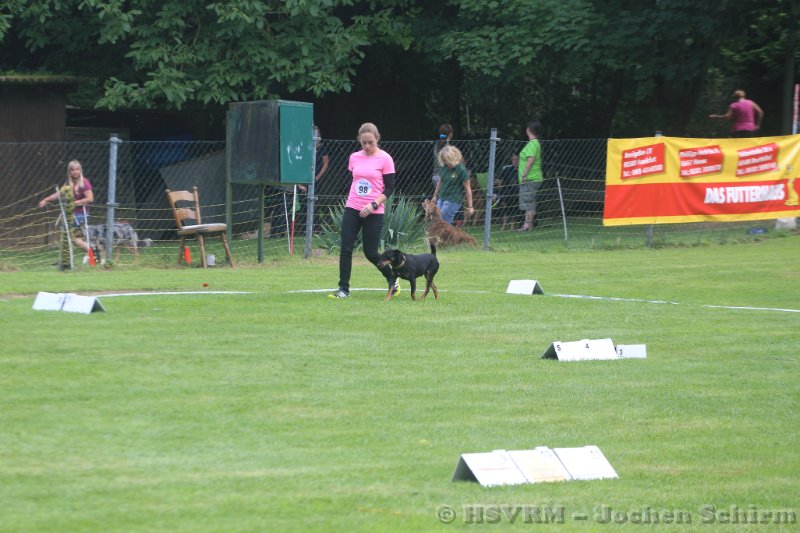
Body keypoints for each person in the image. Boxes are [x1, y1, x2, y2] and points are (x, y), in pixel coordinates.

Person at [329, 122, 399, 299]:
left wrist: (373, 205)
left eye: (370, 142)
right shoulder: (354, 157)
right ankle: (343, 289)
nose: (367, 146)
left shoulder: (385, 159)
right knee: (346, 248)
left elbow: (389, 188)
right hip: (352, 207)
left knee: (371, 253)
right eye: (363, 143)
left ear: (377, 139)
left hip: (374, 211)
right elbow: (355, 180)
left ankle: (392, 278)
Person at [38, 160, 94, 265]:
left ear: (80, 170)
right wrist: (46, 200)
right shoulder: (68, 183)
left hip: (81, 214)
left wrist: (74, 203)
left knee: (67, 234)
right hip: (70, 214)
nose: (75, 172)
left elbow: (90, 198)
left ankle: (85, 254)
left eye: (77, 169)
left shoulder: (84, 183)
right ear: (69, 171)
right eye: (72, 170)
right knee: (74, 239)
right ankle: (90, 254)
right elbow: (58, 194)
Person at [431, 145, 474, 225]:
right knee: (437, 221)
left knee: (441, 221)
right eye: (444, 160)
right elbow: (440, 181)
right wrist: (435, 195)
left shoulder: (461, 169)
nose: (446, 162)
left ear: (453, 158)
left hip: (453, 199)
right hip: (442, 198)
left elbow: (468, 189)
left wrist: (470, 207)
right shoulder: (444, 167)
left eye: (447, 160)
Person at [517, 120, 544, 231]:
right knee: (529, 201)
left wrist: (524, 174)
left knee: (528, 202)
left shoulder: (533, 144)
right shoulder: (534, 143)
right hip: (531, 178)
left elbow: (531, 159)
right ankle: (529, 225)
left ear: (529, 129)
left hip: (530, 178)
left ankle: (526, 225)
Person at [496, 154, 520, 230]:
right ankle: (504, 224)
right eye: (513, 160)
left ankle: (513, 224)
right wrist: (499, 183)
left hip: (517, 192)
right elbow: (500, 180)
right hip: (506, 190)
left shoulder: (522, 169)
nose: (515, 161)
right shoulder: (507, 169)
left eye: (517, 159)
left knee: (512, 201)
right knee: (504, 202)